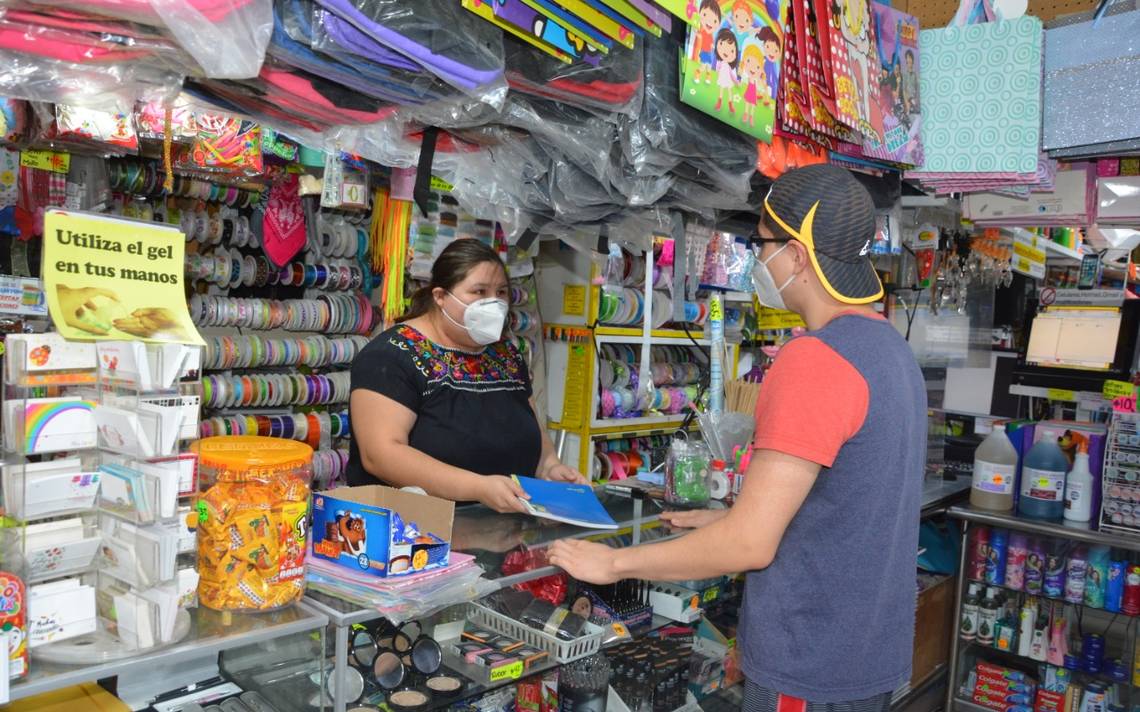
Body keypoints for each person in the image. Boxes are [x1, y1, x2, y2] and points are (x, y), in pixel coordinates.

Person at [551, 164, 926, 712]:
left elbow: (751, 545)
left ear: (798, 255)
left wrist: (612, 564)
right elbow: (846, 505)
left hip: (808, 660)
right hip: (869, 656)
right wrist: (734, 517)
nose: (758, 259)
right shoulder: (890, 347)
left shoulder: (813, 359)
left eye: (763, 243)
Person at [347, 239, 584, 512]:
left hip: (502, 530)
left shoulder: (505, 354)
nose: (493, 303)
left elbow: (529, 430)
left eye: (501, 292)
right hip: (414, 536)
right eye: (479, 291)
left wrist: (549, 467)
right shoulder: (390, 356)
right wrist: (478, 487)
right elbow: (380, 455)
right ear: (440, 296)